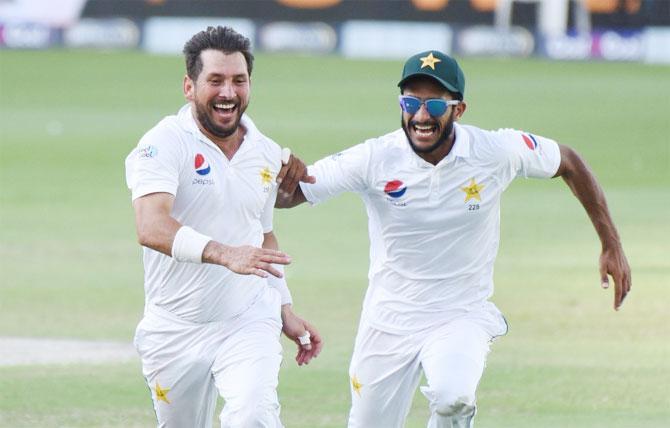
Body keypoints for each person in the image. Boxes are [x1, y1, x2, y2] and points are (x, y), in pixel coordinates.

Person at [276, 50, 631, 427]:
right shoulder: (375, 157)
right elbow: (293, 195)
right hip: (389, 318)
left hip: (460, 314)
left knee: (454, 398)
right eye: (410, 102)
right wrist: (278, 177)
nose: (421, 116)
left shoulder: (495, 151)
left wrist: (611, 244)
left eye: (433, 104)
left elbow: (569, 161)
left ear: (458, 110)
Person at [124, 26, 321, 428]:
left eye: (238, 81)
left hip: (246, 319)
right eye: (215, 80)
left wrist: (283, 308)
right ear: (188, 86)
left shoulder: (266, 153)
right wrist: (224, 253)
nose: (228, 93)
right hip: (174, 327)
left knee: (253, 418)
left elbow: (262, 235)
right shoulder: (162, 144)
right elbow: (151, 226)